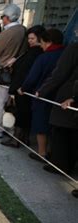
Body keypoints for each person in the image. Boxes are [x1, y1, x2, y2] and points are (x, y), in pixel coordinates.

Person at [20, 28, 65, 162]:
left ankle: (42, 153)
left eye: (43, 42)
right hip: (60, 97)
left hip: (42, 95)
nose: (42, 45)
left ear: (48, 42)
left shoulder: (43, 57)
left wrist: (23, 88)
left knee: (41, 125)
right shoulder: (65, 53)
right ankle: (52, 152)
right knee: (54, 126)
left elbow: (32, 77)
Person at [0, 4, 27, 138]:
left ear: (7, 17)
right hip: (19, 72)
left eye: (2, 16)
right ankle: (10, 130)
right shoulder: (24, 30)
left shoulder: (7, 32)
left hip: (5, 72)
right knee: (11, 103)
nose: (2, 19)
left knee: (0, 103)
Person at [0, 25, 45, 148]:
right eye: (29, 38)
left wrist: (15, 89)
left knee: (21, 115)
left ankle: (17, 140)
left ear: (40, 38)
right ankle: (22, 139)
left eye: (33, 38)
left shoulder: (34, 53)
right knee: (24, 115)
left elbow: (24, 72)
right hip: (25, 89)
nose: (30, 41)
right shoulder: (34, 52)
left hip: (23, 89)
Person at [38, 43, 78, 174]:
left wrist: (43, 90)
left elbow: (60, 72)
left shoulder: (74, 48)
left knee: (62, 132)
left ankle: (60, 165)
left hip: (69, 97)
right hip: (72, 97)